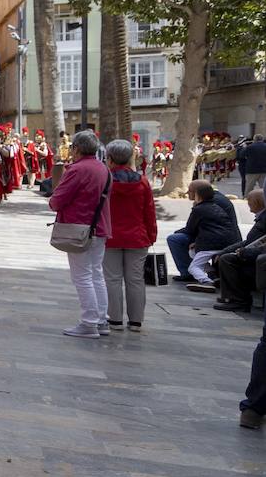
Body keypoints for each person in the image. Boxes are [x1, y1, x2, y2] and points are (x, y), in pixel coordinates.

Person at [49, 130, 112, 339]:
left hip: (80, 229)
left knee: (83, 276)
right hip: (99, 227)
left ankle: (89, 322)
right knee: (96, 274)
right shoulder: (103, 168)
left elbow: (57, 200)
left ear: (76, 148)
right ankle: (102, 320)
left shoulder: (77, 170)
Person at [103, 139, 157, 332]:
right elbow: (149, 211)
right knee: (135, 279)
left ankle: (114, 319)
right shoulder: (142, 181)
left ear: (109, 159)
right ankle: (136, 321)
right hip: (137, 236)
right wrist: (152, 235)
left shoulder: (105, 180)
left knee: (112, 279)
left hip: (110, 236)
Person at [181, 179, 243, 292]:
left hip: (209, 244)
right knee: (193, 252)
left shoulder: (198, 209)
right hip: (227, 242)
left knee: (193, 267)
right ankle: (212, 274)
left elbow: (190, 229)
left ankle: (207, 282)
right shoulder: (219, 207)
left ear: (197, 195)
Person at [167, 182, 237, 280]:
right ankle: (210, 271)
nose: (187, 193)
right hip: (223, 237)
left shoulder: (202, 206)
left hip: (212, 239)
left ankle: (197, 277)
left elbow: (190, 229)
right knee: (192, 251)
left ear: (197, 193)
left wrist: (181, 233)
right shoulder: (213, 202)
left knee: (174, 239)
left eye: (190, 191)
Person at [213, 190, 266, 312]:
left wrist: (244, 253)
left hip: (257, 260)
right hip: (253, 256)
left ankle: (239, 300)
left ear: (257, 202)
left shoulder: (264, 219)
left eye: (250, 202)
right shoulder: (261, 217)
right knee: (225, 257)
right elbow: (249, 241)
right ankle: (231, 297)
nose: (248, 205)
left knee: (228, 260)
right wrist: (225, 251)